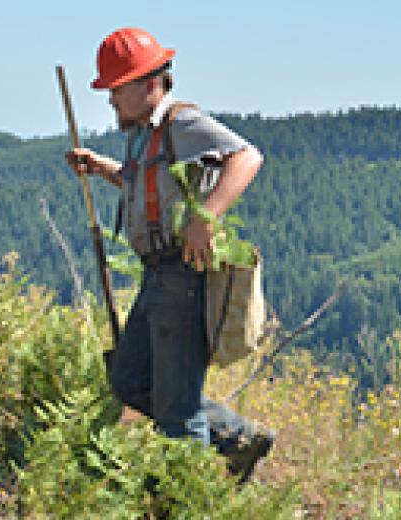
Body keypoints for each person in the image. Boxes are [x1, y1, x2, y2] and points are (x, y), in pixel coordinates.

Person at [65, 27, 274, 483]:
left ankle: (187, 498)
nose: (111, 100)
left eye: (116, 89)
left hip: (182, 278)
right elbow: (152, 191)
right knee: (129, 380)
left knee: (177, 415)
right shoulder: (144, 133)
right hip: (157, 277)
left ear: (149, 84)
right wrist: (105, 169)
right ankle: (239, 437)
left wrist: (208, 218)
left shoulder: (181, 122)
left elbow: (247, 157)